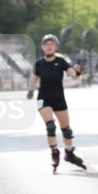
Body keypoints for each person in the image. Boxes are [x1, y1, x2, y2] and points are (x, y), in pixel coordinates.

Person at [27, 34, 86, 173]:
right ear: (42, 47)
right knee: (51, 126)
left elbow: (72, 74)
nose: (49, 46)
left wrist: (78, 71)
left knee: (66, 130)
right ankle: (54, 153)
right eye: (46, 44)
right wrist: (30, 90)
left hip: (59, 98)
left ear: (56, 47)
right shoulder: (38, 63)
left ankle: (69, 153)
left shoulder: (61, 61)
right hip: (44, 98)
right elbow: (33, 78)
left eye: (52, 44)